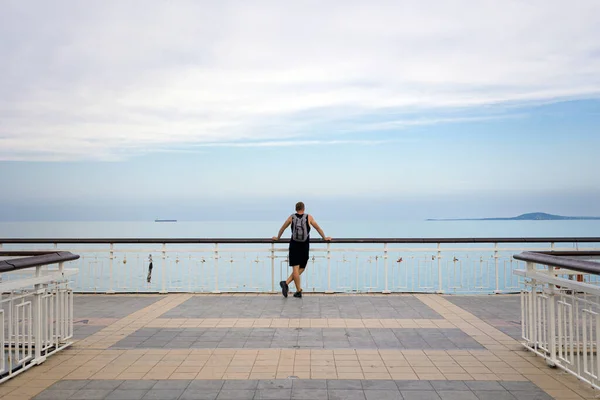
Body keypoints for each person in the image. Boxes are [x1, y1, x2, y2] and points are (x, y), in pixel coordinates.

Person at [272, 201, 331, 298]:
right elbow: (318, 228)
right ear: (304, 209)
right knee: (302, 267)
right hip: (304, 246)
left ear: (296, 209)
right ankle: (297, 290)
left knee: (296, 268)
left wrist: (278, 238)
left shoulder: (292, 217)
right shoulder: (309, 217)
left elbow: (282, 228)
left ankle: (286, 283)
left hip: (294, 245)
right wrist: (324, 237)